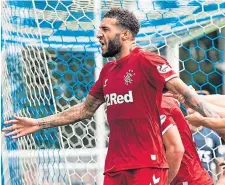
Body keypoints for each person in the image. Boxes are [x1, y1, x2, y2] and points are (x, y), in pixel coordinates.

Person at [2, 8, 220, 185]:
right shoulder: (108, 71)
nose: (98, 34)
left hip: (147, 165)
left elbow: (186, 94)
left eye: (105, 29)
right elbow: (83, 110)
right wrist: (39, 123)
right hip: (115, 167)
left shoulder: (148, 61)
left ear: (124, 35)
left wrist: (213, 119)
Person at [161, 93, 214, 185]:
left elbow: (176, 150)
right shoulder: (168, 101)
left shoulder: (161, 103)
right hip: (195, 176)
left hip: (188, 179)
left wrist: (163, 182)